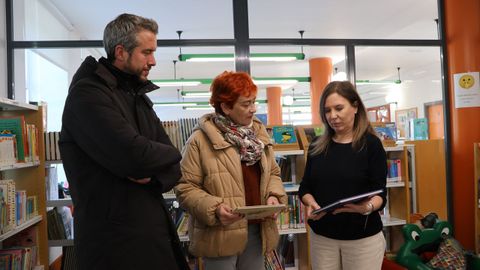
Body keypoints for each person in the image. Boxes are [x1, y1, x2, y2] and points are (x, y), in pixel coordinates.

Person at [59, 13, 189, 270]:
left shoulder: (135, 95)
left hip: (150, 237)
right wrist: (154, 160)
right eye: (146, 52)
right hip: (113, 246)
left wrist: (153, 174)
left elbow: (174, 160)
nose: (153, 61)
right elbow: (136, 156)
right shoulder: (88, 95)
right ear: (121, 51)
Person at [175, 71, 287, 270]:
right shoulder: (199, 141)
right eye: (246, 104)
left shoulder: (259, 136)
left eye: (254, 101)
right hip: (219, 234)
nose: (253, 109)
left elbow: (273, 174)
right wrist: (215, 208)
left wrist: (274, 196)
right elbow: (185, 188)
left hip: (257, 230)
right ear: (226, 107)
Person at [298, 81, 388, 270]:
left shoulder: (371, 145)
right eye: (327, 110)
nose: (333, 116)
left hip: (363, 239)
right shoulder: (316, 145)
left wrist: (366, 207)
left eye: (339, 108)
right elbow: (305, 187)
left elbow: (380, 193)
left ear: (355, 107)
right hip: (323, 238)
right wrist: (310, 202)